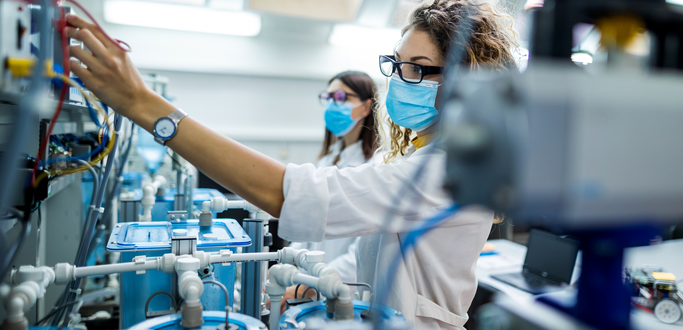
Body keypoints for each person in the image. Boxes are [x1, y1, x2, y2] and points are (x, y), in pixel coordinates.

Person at [63, 0, 519, 328]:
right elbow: (378, 262)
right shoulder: (412, 157)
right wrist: (321, 283)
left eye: (417, 68)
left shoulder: (447, 170)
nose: (399, 81)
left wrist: (146, 108)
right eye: (396, 65)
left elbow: (289, 194)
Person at [287, 71, 379, 303]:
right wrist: (288, 265)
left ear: (366, 107)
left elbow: (361, 253)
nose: (332, 105)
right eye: (328, 98)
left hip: (344, 289)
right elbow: (306, 227)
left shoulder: (375, 166)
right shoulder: (328, 159)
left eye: (341, 97)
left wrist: (313, 285)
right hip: (311, 282)